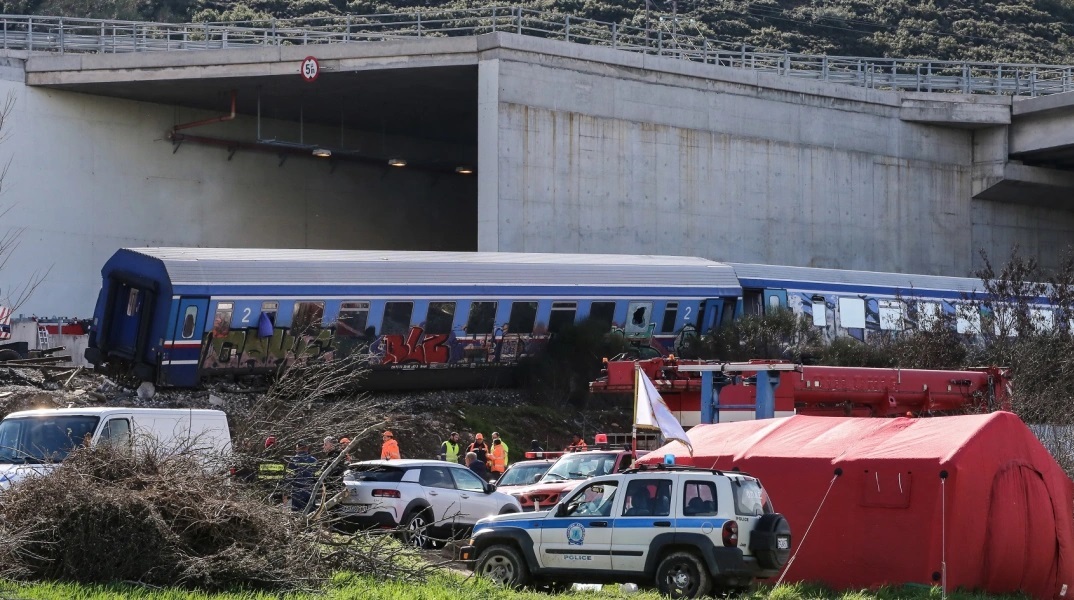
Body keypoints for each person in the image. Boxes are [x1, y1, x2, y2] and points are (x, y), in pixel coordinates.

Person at [282, 441, 318, 512]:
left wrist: (285, 494)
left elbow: (288, 478)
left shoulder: (293, 460)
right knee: (310, 514)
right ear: (307, 448)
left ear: (297, 448)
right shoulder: (314, 460)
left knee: (296, 515)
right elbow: (318, 478)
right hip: (310, 491)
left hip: (297, 493)